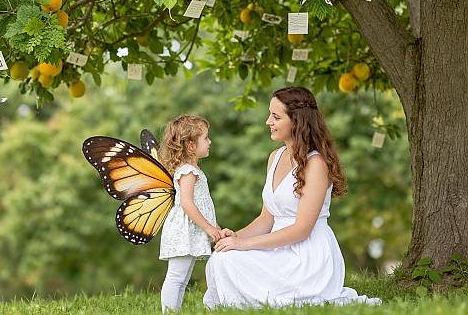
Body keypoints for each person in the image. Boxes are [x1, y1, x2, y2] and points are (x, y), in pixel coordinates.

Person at [203, 87, 382, 309]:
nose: (268, 121)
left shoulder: (315, 163)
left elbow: (302, 230)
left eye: (276, 117)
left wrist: (243, 245)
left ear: (297, 121)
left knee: (229, 260)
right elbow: (266, 219)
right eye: (270, 114)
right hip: (278, 247)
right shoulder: (274, 157)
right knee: (222, 258)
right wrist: (233, 239)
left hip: (307, 254)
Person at [159, 115, 221, 313]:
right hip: (183, 231)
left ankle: (173, 310)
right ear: (191, 146)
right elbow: (186, 203)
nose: (210, 142)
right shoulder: (187, 171)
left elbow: (202, 206)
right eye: (206, 138)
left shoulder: (192, 169)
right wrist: (209, 228)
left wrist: (215, 227)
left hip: (191, 230)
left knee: (182, 277)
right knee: (177, 277)